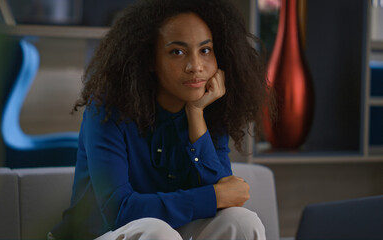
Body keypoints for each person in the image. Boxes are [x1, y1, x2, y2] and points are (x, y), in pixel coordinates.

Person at [50, 0, 274, 239]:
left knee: (241, 221)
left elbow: (226, 197)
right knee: (157, 232)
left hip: (170, 233)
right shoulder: (107, 110)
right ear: (149, 60)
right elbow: (120, 211)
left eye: (205, 50)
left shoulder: (209, 110)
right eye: (177, 52)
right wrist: (213, 196)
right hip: (97, 234)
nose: (195, 66)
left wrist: (196, 115)